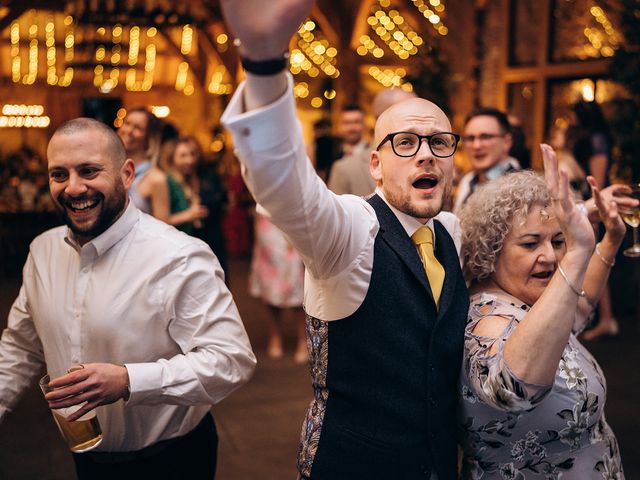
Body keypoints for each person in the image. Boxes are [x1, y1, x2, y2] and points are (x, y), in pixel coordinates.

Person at [219, 1, 467, 478]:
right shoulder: (350, 231)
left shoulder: (451, 233)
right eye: (405, 142)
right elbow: (284, 185)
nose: (426, 155)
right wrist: (266, 62)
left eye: (439, 142)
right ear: (374, 164)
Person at [0, 118, 256, 479]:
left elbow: (232, 361)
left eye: (89, 171)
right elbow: (20, 346)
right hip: (86, 461)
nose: (73, 188)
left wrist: (128, 380)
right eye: (59, 175)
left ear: (126, 174)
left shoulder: (178, 256)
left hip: (172, 462)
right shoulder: (42, 252)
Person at [457, 145, 626, 478]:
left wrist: (610, 241)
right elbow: (510, 388)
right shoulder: (485, 315)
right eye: (531, 243)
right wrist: (578, 251)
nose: (549, 256)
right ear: (491, 249)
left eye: (558, 241)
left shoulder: (532, 299)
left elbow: (577, 309)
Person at [566, 100, 618, 340]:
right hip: (586, 199)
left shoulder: (597, 139)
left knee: (598, 257)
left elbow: (598, 178)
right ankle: (603, 318)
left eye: (574, 115)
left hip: (596, 201)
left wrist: (594, 205)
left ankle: (606, 319)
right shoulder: (587, 136)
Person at [249, 212, 308, 364]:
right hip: (268, 221)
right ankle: (275, 335)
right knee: (270, 285)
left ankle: (303, 339)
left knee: (297, 283)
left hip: (295, 218)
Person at [454, 107, 521, 213]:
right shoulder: (468, 181)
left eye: (485, 137)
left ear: (507, 142)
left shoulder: (521, 187)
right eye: (470, 138)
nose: (476, 145)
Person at [117, 106, 170, 221]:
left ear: (148, 137)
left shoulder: (156, 179)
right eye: (127, 123)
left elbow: (163, 229)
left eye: (138, 128)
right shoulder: (111, 169)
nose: (129, 131)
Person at [159, 136, 209, 235]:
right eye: (183, 156)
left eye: (192, 154)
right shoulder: (167, 181)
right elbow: (160, 221)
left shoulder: (185, 180)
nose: (190, 160)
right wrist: (189, 215)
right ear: (171, 158)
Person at [327, 103, 374, 196]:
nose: (351, 128)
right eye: (347, 123)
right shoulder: (330, 154)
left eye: (356, 122)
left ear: (364, 125)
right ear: (339, 126)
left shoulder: (373, 154)